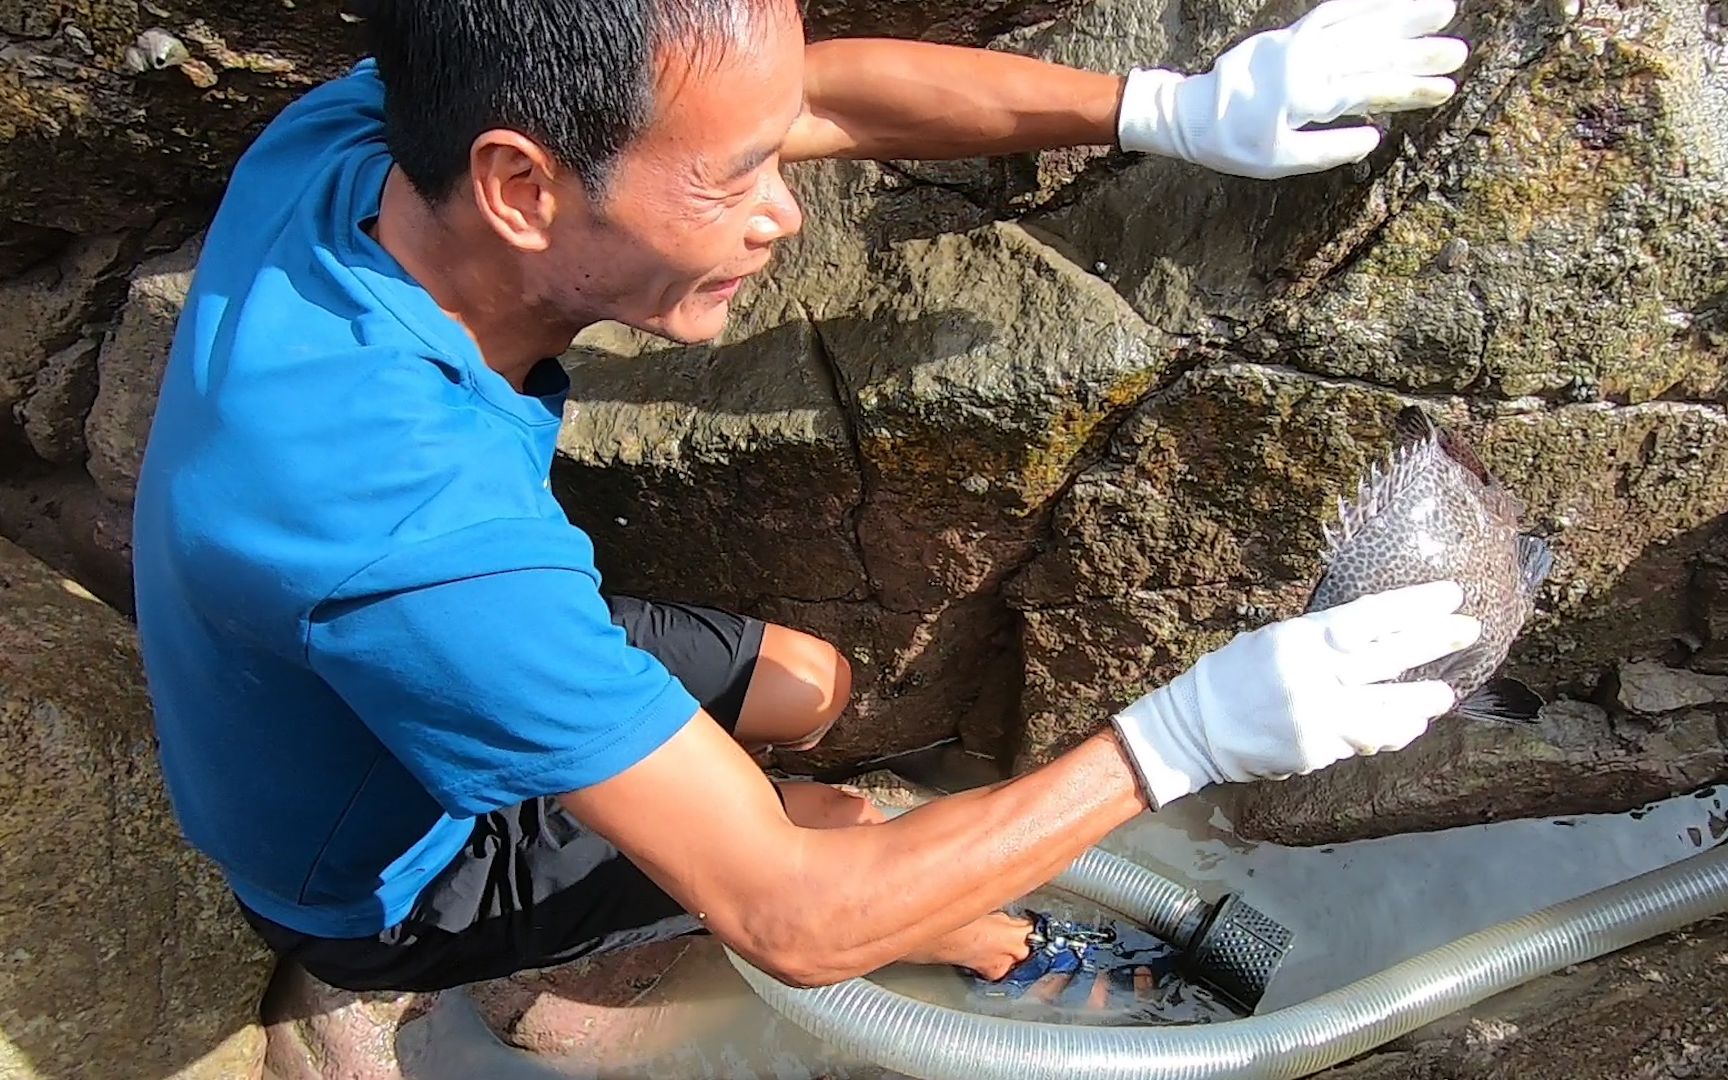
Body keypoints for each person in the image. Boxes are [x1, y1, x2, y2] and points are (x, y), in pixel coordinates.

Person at [131, 0, 1478, 1013]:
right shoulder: (409, 540)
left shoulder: (368, 137)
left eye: (771, 160)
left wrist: (1167, 108)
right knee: (823, 838)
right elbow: (791, 918)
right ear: (521, 187)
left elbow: (819, 96)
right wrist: (1190, 735)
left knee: (811, 688)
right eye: (734, 180)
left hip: (422, 646)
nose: (785, 212)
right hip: (390, 866)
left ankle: (755, 823)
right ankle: (990, 946)